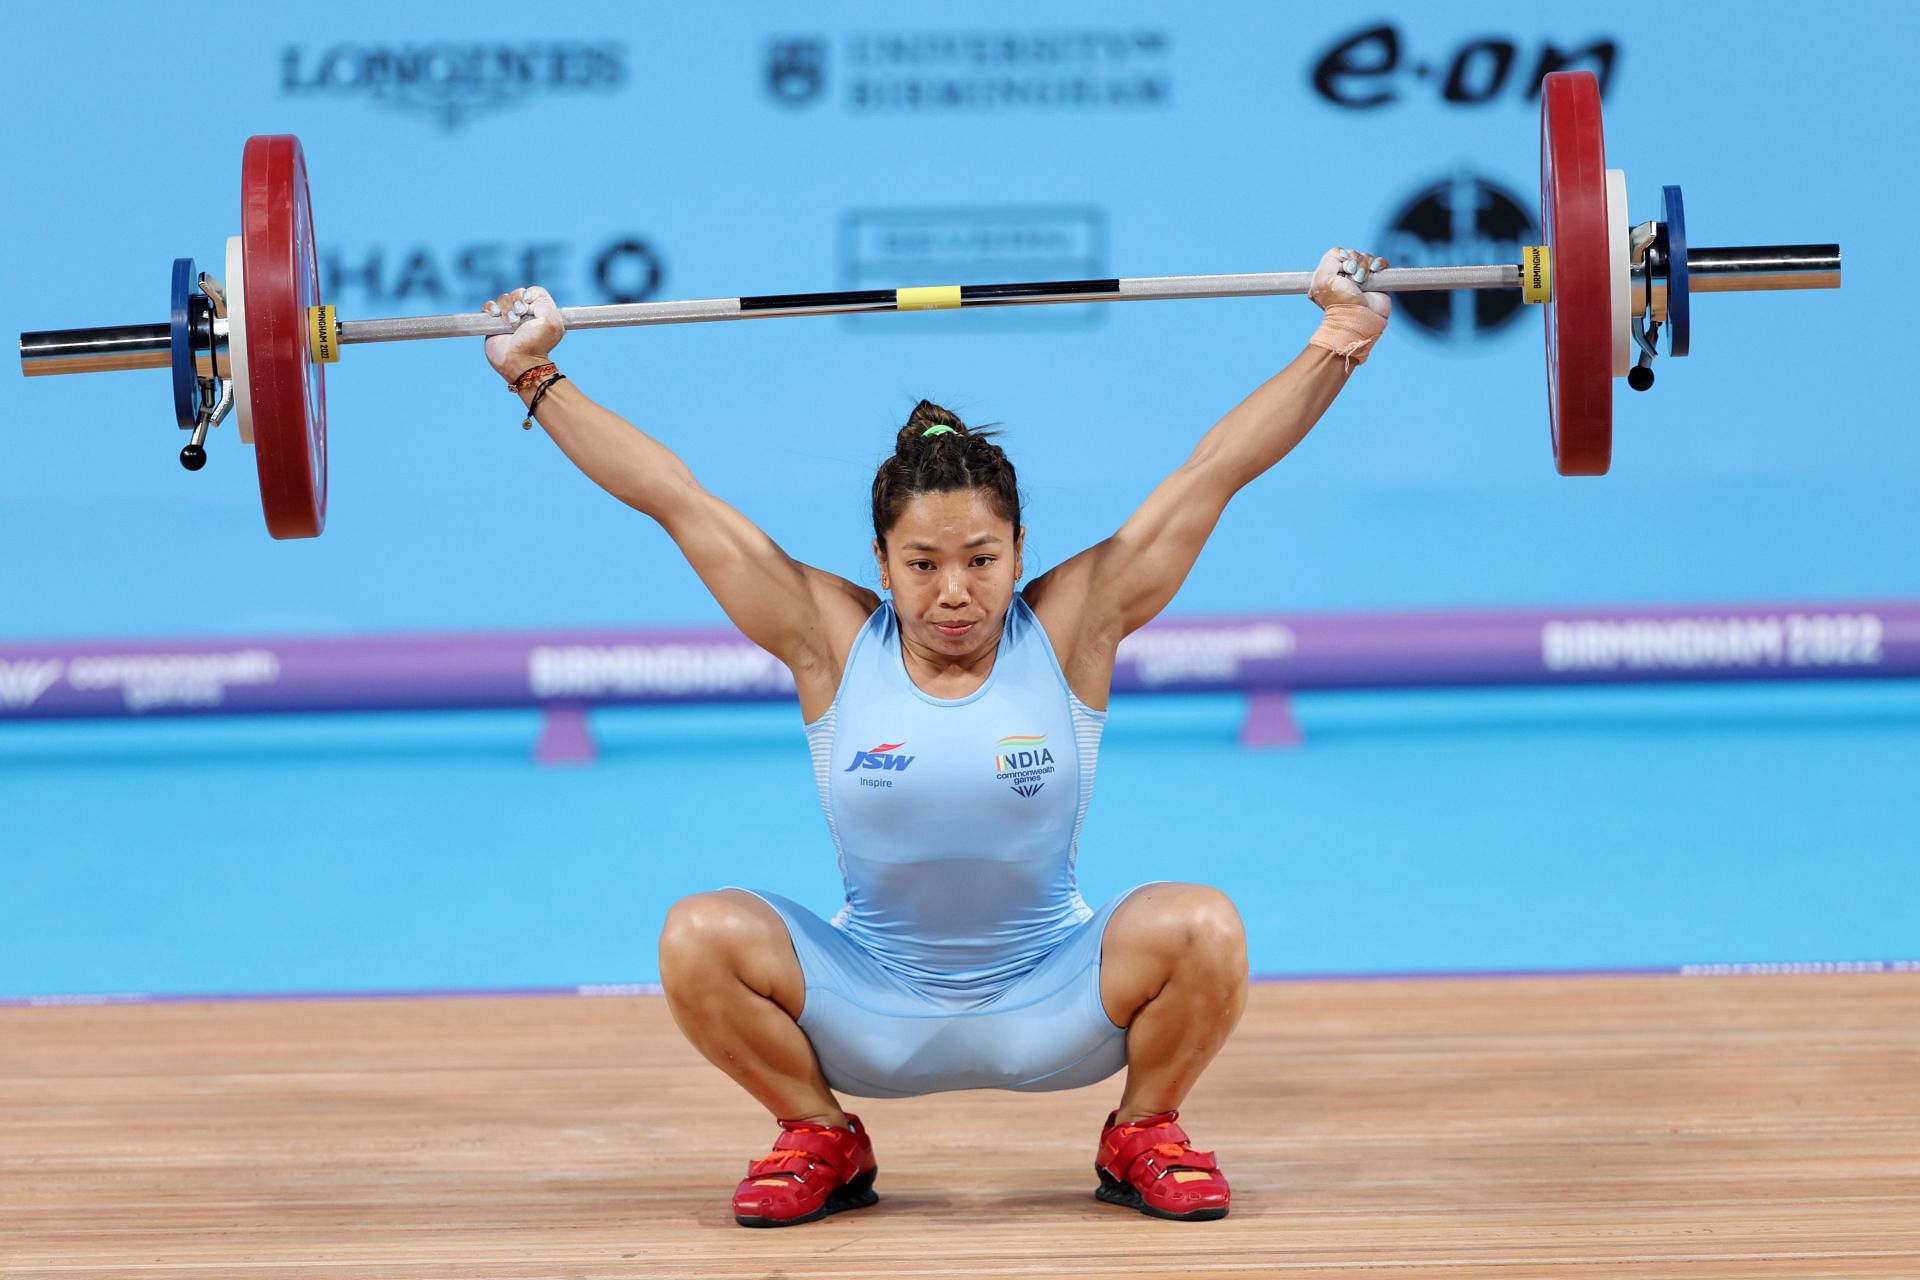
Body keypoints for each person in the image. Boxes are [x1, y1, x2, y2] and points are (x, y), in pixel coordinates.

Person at [480, 247, 1390, 1227]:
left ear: (1019, 550)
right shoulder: (826, 636)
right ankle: (817, 1130)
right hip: (868, 1007)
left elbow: (1217, 471)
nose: (954, 590)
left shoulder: (1074, 623)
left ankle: (1144, 1128)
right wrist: (535, 372)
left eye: (981, 558)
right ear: (879, 558)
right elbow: (675, 496)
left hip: (1058, 1000)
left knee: (1204, 925)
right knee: (697, 935)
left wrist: (1340, 336)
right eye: (921, 562)